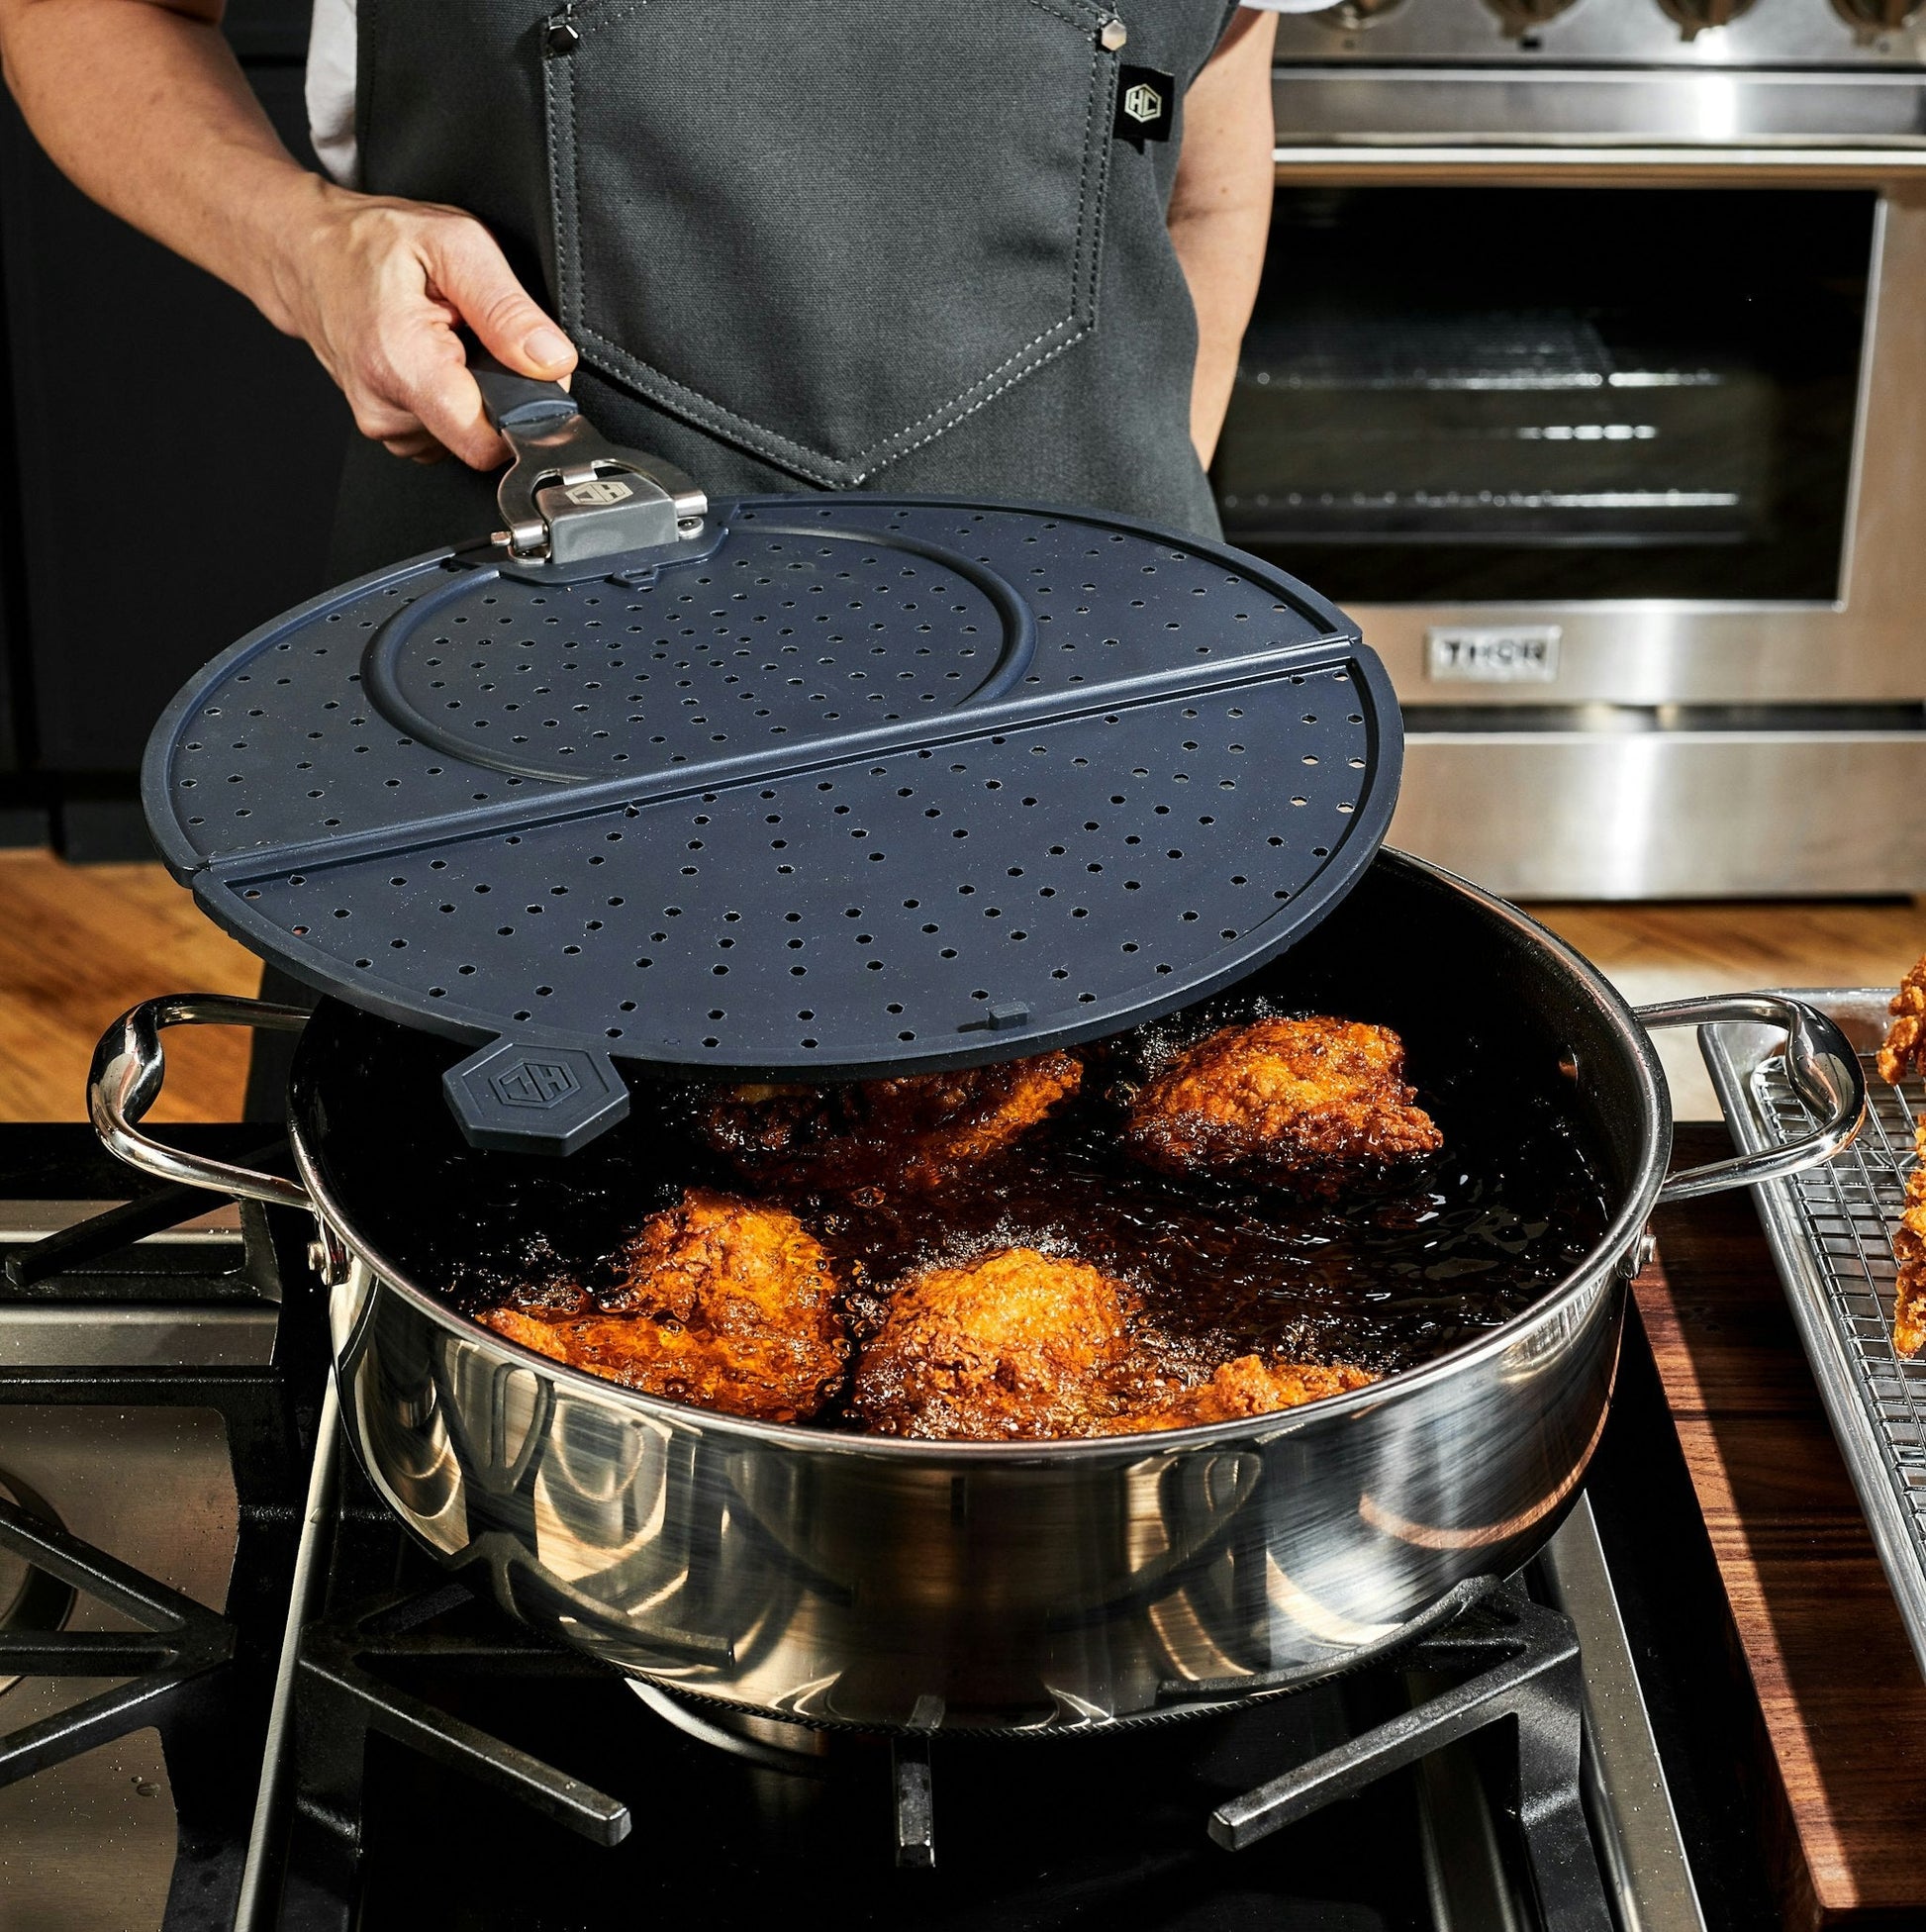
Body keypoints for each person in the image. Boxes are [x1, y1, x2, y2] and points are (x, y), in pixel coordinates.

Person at [0, 0, 1286, 1113]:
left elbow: (1210, 134)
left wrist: (1144, 538)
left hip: (1081, 750)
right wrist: (303, 243)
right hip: (523, 736)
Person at [0, 0, 1284, 582]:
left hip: (1080, 674)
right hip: (517, 656)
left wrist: (1149, 557)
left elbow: (1206, 166)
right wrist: (302, 244)